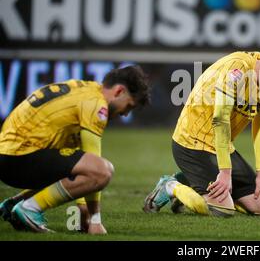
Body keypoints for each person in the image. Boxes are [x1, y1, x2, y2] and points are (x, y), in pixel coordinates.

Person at [143, 51, 260, 217]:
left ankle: (192, 182)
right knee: (223, 209)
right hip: (192, 143)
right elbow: (220, 119)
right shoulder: (236, 71)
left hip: (221, 147)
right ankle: (170, 186)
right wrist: (225, 172)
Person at [0, 65, 150, 233]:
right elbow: (95, 168)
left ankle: (15, 204)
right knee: (103, 170)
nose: (125, 114)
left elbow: (76, 160)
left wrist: (82, 206)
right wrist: (95, 220)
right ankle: (30, 209)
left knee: (77, 163)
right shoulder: (97, 106)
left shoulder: (85, 90)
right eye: (129, 106)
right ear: (119, 91)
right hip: (19, 157)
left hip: (10, 154)